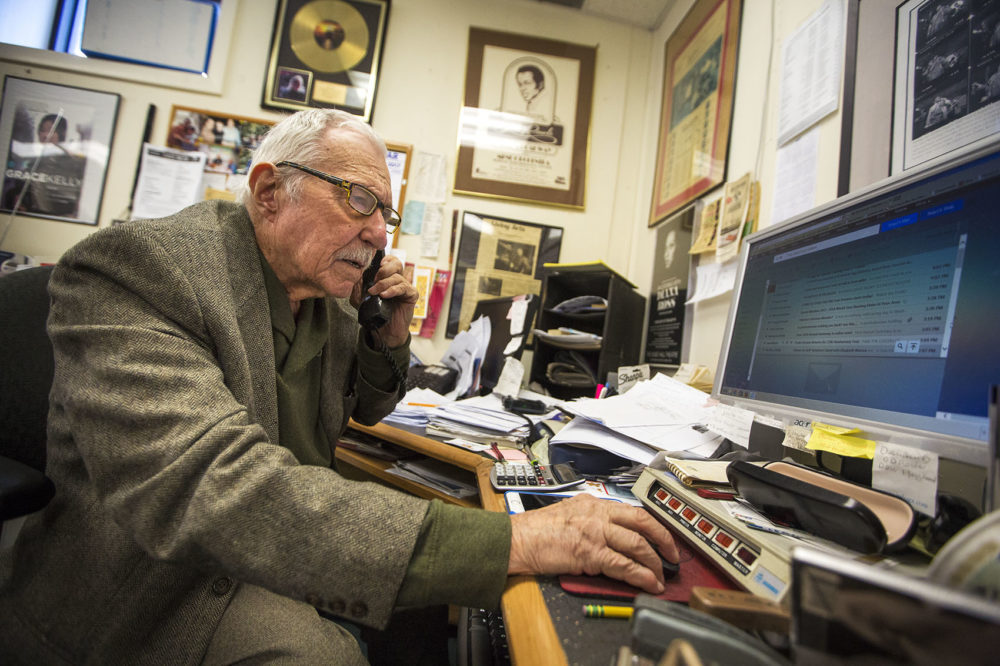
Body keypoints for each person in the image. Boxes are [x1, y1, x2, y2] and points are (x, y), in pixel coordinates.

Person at [0, 108, 678, 663]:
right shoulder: (143, 267)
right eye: (359, 199)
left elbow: (373, 407)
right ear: (270, 192)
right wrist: (516, 542)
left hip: (281, 542)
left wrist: (389, 338)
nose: (379, 231)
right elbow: (217, 489)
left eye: (386, 211)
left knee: (431, 630)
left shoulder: (329, 296)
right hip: (158, 585)